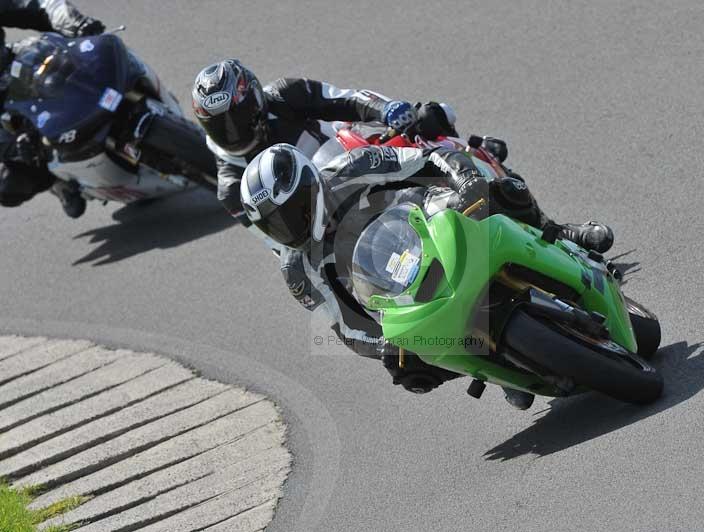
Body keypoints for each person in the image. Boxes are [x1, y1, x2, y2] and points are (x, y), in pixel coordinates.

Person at [239, 142, 614, 409]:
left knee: (503, 192)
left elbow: (427, 158)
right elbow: (346, 327)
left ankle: (562, 234)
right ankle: (499, 369)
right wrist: (384, 345)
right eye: (274, 225)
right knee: (407, 370)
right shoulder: (297, 271)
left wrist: (466, 180)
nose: (288, 227)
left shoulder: (354, 167)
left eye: (291, 212)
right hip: (397, 293)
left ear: (309, 184)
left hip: (431, 219)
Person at [191, 59, 458, 231]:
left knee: (431, 121)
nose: (231, 131)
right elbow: (277, 242)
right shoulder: (231, 187)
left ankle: (480, 173)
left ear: (255, 100)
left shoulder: (286, 94)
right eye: (219, 125)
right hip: (325, 222)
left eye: (236, 117)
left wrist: (386, 108)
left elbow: (348, 100)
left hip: (360, 157)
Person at [0, 0, 105, 212]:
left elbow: (36, 5)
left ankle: (137, 88)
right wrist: (14, 149)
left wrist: (73, 22)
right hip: (6, 110)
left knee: (86, 53)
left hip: (17, 63)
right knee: (9, 185)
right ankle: (58, 182)